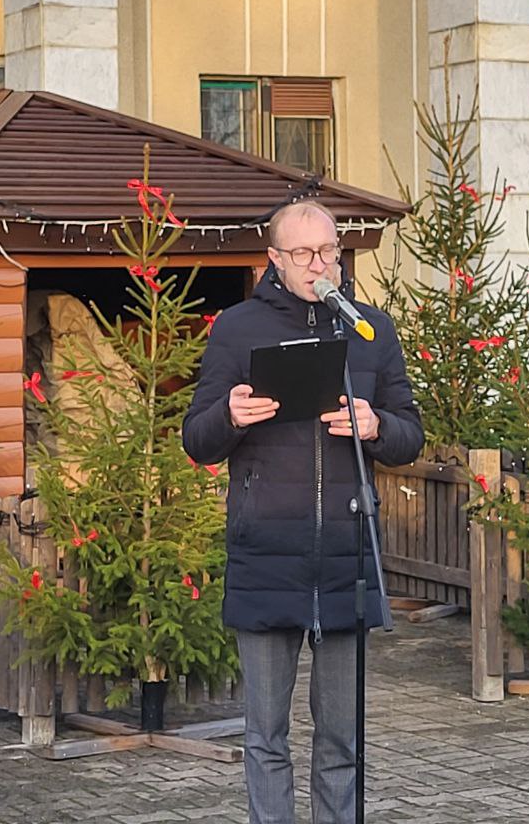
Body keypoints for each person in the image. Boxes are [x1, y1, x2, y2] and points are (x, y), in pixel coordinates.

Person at [183, 199, 423, 824]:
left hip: (346, 554)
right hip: (267, 550)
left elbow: (410, 436)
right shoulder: (238, 329)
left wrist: (375, 426)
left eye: (330, 252)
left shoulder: (371, 330)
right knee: (265, 737)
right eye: (306, 253)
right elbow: (196, 439)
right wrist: (229, 417)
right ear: (275, 259)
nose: (322, 265)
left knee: (342, 740)